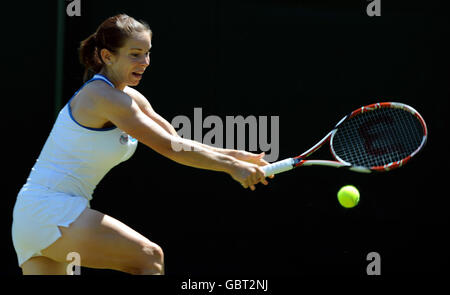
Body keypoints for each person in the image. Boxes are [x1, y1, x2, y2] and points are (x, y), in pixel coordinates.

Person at [11, 14, 271, 275]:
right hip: (50, 211)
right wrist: (230, 167)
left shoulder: (130, 96)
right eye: (135, 54)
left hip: (34, 217)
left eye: (147, 53)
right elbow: (169, 148)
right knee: (150, 257)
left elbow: (176, 141)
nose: (145, 62)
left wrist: (236, 157)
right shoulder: (103, 96)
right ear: (107, 56)